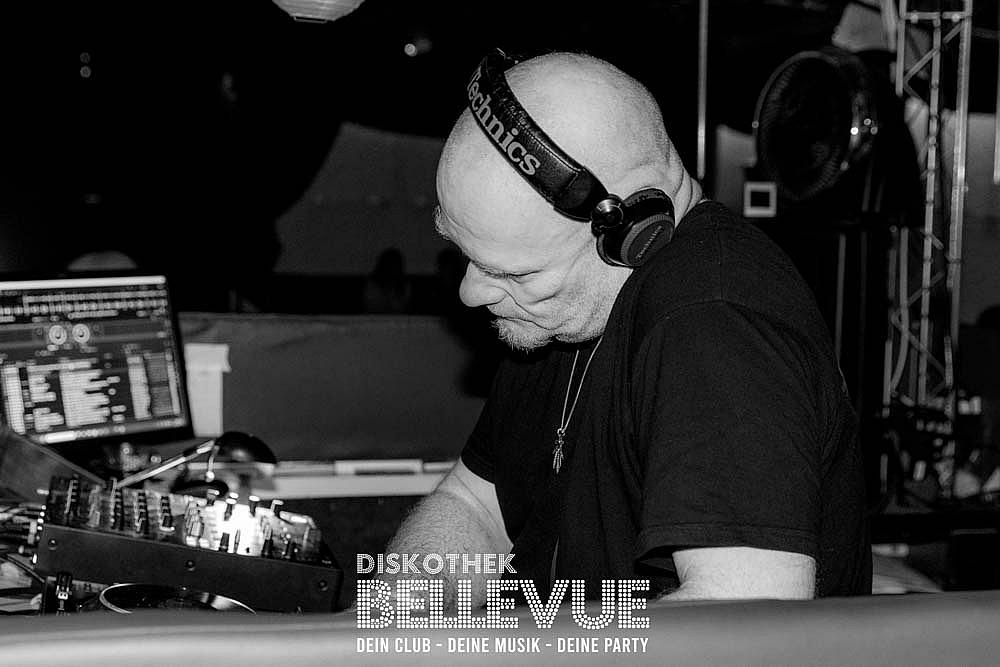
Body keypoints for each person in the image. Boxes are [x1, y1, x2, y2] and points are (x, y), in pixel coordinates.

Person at [382, 50, 870, 608]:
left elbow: (743, 622)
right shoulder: (553, 312)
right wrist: (392, 622)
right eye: (465, 256)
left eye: (512, 272)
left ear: (633, 233)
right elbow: (474, 510)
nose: (471, 292)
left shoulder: (714, 324)